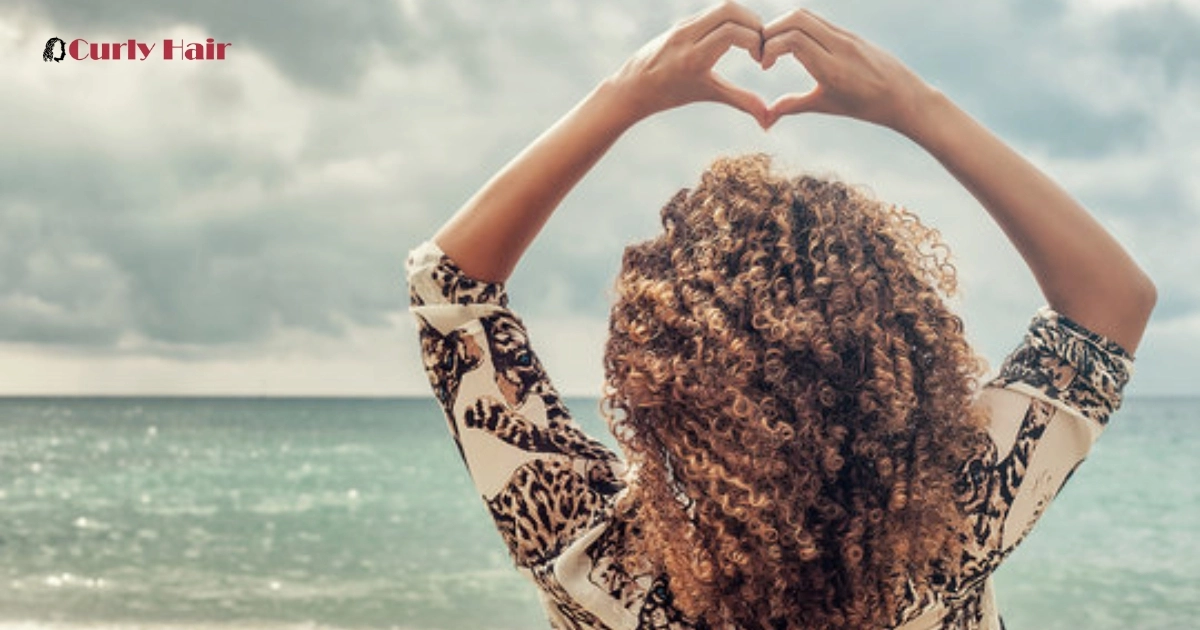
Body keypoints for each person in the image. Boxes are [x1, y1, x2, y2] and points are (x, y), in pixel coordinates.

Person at [405, 3, 1156, 629]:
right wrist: (915, 106)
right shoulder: (952, 539)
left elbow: (450, 286)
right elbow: (1110, 303)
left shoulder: (598, 568)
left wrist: (626, 92)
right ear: (901, 367)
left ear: (654, 385)